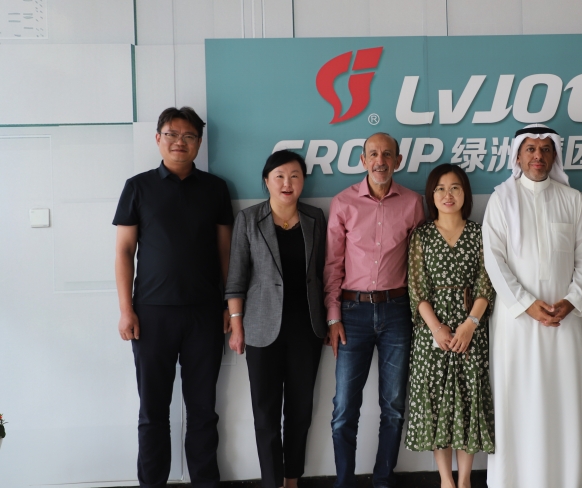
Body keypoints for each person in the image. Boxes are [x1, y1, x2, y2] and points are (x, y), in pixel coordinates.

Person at [113, 106, 233, 488]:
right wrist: (126, 310)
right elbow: (123, 251)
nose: (180, 142)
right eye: (172, 134)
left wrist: (230, 307)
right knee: (152, 412)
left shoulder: (215, 188)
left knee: (203, 411)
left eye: (189, 136)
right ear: (158, 138)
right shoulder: (138, 187)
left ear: (199, 142)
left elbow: (225, 253)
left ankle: (205, 482)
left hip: (205, 315)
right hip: (151, 316)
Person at [481, 124, 582, 488]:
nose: (538, 156)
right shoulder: (501, 199)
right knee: (519, 401)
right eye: (530, 149)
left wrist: (571, 301)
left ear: (554, 156)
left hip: (565, 320)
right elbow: (494, 261)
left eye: (546, 149)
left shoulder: (572, 199)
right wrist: (526, 304)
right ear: (517, 155)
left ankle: (568, 480)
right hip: (516, 323)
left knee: (565, 401)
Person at [323, 133, 425, 488]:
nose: (380, 161)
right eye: (373, 154)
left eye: (387, 154)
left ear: (398, 160)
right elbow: (332, 264)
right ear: (363, 160)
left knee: (394, 406)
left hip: (398, 312)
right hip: (352, 313)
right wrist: (333, 316)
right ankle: (344, 482)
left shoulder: (413, 203)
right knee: (344, 407)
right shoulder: (343, 203)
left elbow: (418, 266)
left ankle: (383, 479)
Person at [225, 150, 328, 488]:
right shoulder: (249, 219)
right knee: (265, 412)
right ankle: (272, 482)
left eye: (295, 176)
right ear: (266, 181)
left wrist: (330, 319)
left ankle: (292, 479)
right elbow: (236, 278)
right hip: (260, 329)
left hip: (307, 329)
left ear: (303, 181)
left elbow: (322, 273)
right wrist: (236, 325)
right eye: (280, 176)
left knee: (300, 411)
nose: (287, 183)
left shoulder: (315, 218)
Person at [405, 164, 496, 488]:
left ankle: (466, 479)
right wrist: (437, 328)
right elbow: (417, 288)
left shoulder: (479, 234)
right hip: (432, 331)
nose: (448, 194)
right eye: (440, 188)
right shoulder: (422, 236)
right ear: (431, 195)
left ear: (465, 193)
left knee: (468, 400)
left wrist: (470, 324)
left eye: (455, 187)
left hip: (471, 328)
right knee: (436, 403)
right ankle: (446, 480)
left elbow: (486, 284)